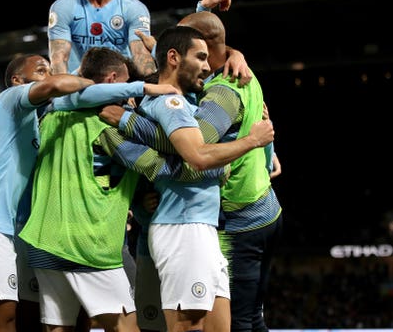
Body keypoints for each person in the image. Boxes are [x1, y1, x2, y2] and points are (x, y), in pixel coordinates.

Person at [19, 46, 228, 332]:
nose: (130, 95)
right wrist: (218, 166)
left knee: (59, 327)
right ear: (112, 79)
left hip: (41, 239)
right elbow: (160, 167)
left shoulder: (50, 115)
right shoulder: (107, 126)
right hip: (85, 243)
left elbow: (97, 172)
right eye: (126, 82)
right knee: (126, 327)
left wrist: (140, 197)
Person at [98, 25, 275, 332]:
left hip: (200, 226)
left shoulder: (184, 100)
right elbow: (197, 157)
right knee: (186, 325)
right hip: (183, 228)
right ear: (174, 59)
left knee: (220, 326)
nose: (208, 66)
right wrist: (251, 142)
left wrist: (233, 52)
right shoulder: (172, 104)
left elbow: (182, 42)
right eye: (201, 57)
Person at [0, 54, 94, 332]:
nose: (47, 75)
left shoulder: (31, 123)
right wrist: (96, 83)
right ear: (17, 80)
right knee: (3, 322)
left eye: (49, 70)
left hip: (1, 230)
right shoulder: (11, 99)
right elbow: (54, 86)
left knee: (3, 322)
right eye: (40, 70)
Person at [179, 11, 284, 332]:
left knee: (236, 322)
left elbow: (195, 150)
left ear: (204, 47)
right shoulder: (242, 70)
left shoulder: (221, 94)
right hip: (266, 210)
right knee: (254, 316)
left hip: (238, 226)